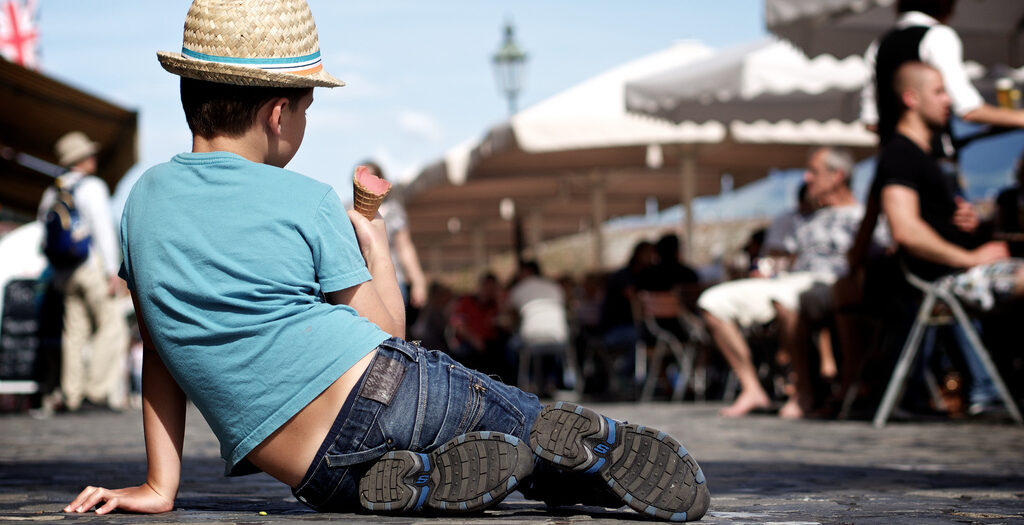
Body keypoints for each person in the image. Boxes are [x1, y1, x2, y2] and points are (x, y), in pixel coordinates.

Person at [63, 1, 709, 520]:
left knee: (453, 462)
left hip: (315, 473)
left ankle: (418, 480)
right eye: (307, 109)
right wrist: (374, 239)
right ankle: (591, 456)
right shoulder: (308, 199)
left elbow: (161, 351)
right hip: (385, 393)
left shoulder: (141, 204)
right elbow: (385, 334)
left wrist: (160, 484)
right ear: (278, 114)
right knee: (527, 427)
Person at [876, 61, 1024, 415]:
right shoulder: (900, 153)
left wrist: (968, 222)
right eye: (939, 91)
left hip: (959, 271)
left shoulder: (928, 154)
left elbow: (928, 221)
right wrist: (971, 258)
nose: (949, 100)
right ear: (911, 98)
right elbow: (906, 231)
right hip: (947, 278)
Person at [697, 146, 868, 418]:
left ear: (837, 176)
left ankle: (804, 391)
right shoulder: (799, 218)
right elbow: (779, 257)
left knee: (787, 298)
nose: (806, 178)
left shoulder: (862, 217)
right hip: (789, 280)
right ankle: (752, 389)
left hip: (832, 282)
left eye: (813, 171)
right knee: (712, 302)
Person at [36, 131, 130, 413]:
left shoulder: (52, 192)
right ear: (81, 159)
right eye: (89, 154)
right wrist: (113, 270)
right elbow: (102, 230)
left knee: (74, 333)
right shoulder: (92, 187)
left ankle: (72, 395)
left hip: (64, 273)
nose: (93, 158)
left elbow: (43, 235)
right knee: (112, 327)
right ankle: (95, 392)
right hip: (90, 269)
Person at [860, 0, 1024, 150]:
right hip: (929, 156)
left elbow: (871, 123)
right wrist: (1019, 118)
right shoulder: (938, 36)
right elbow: (968, 109)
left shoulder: (878, 44)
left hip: (890, 154)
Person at [359, 161, 428, 329]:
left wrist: (418, 280)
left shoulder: (393, 210)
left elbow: (405, 247)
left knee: (393, 331)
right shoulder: (349, 210)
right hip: (363, 281)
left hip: (394, 280)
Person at [505, 260, 571, 395]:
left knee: (511, 347)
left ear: (527, 272)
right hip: (559, 337)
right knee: (549, 343)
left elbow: (511, 318)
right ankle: (551, 381)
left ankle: (525, 383)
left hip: (530, 338)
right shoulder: (554, 287)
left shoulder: (519, 288)